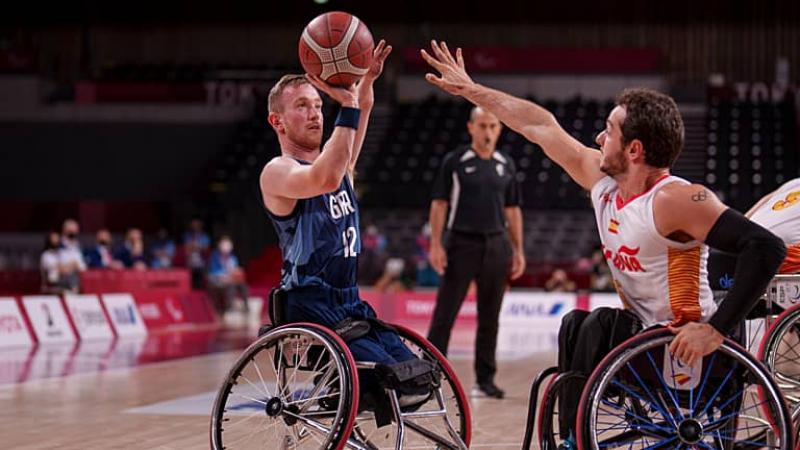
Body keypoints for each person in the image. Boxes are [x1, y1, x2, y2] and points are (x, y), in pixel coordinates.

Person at [421, 40, 785, 448]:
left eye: (608, 130)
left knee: (594, 326)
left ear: (634, 149)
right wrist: (473, 90)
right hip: (644, 345)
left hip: (684, 351)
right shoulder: (604, 184)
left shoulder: (674, 199)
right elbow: (540, 126)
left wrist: (716, 331)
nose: (597, 138)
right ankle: (573, 439)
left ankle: (576, 440)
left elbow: (766, 247)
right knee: (577, 326)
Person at [259, 41, 431, 407]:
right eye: (302, 106)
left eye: (319, 105)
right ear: (278, 121)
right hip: (309, 301)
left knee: (417, 375)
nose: (315, 114)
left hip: (349, 301)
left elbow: (358, 120)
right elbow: (324, 178)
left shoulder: (341, 170)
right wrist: (348, 106)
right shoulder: (278, 172)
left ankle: (348, 402)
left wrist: (363, 86)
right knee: (389, 381)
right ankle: (338, 401)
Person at [426, 105, 525, 399]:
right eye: (482, 126)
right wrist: (435, 244)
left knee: (490, 316)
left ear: (499, 129)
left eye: (493, 126)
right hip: (461, 243)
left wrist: (518, 250)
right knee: (445, 314)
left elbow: (513, 210)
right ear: (471, 128)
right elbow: (439, 204)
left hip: (497, 245)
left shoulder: (506, 164)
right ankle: (428, 375)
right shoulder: (455, 162)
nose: (487, 132)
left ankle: (485, 380)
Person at [709, 177, 800, 289]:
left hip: (760, 256)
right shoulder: (795, 183)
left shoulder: (795, 183)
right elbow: (766, 200)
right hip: (746, 253)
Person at [207, 235, 249, 315]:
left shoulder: (232, 257)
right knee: (231, 286)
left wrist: (236, 272)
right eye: (224, 244)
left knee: (243, 285)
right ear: (219, 245)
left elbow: (234, 269)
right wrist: (223, 276)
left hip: (229, 279)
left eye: (228, 244)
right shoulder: (214, 256)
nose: (226, 246)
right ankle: (229, 308)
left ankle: (246, 307)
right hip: (217, 279)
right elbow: (213, 271)